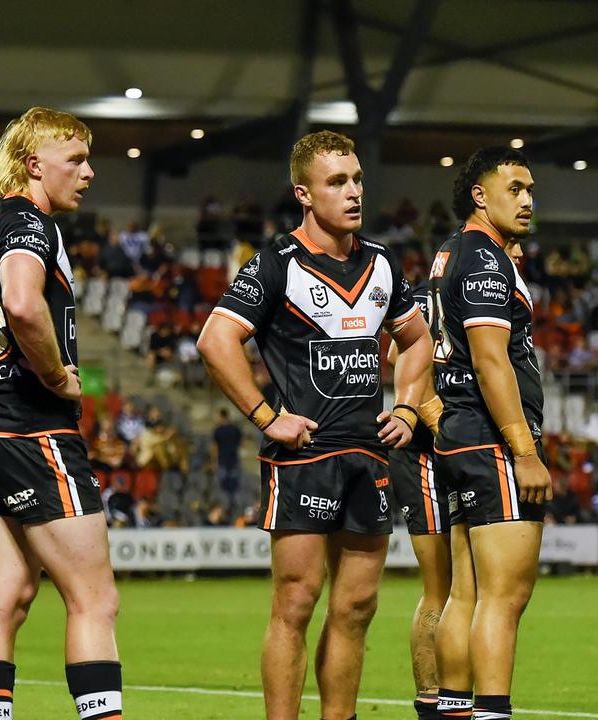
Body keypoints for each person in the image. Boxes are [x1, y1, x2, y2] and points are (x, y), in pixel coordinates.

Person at [197, 130, 434, 720]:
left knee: (356, 606)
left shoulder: (381, 263)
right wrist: (265, 416)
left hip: (370, 454)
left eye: (356, 179)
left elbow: (417, 338)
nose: (353, 192)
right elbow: (216, 338)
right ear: (304, 193)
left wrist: (406, 405)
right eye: (337, 182)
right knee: (296, 602)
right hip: (303, 454)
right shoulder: (276, 265)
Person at [0, 106, 122, 720]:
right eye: (77, 160)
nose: (89, 172)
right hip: (36, 431)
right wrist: (53, 375)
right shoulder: (30, 224)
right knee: (94, 600)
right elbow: (20, 302)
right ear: (35, 164)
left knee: (3, 601)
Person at [430, 147, 549, 720]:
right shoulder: (481, 259)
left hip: (458, 435)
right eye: (515, 189)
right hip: (492, 438)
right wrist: (524, 451)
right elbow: (491, 361)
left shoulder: (459, 250)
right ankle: (492, 713)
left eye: (531, 191)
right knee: (506, 597)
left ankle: (451, 709)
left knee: (467, 593)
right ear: (481, 195)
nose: (527, 200)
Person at [382, 274, 456, 720]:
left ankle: (455, 700)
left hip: (463, 447)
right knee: (440, 585)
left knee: (468, 586)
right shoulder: (433, 295)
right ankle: (431, 702)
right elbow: (399, 350)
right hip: (425, 452)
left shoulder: (499, 284)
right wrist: (439, 422)